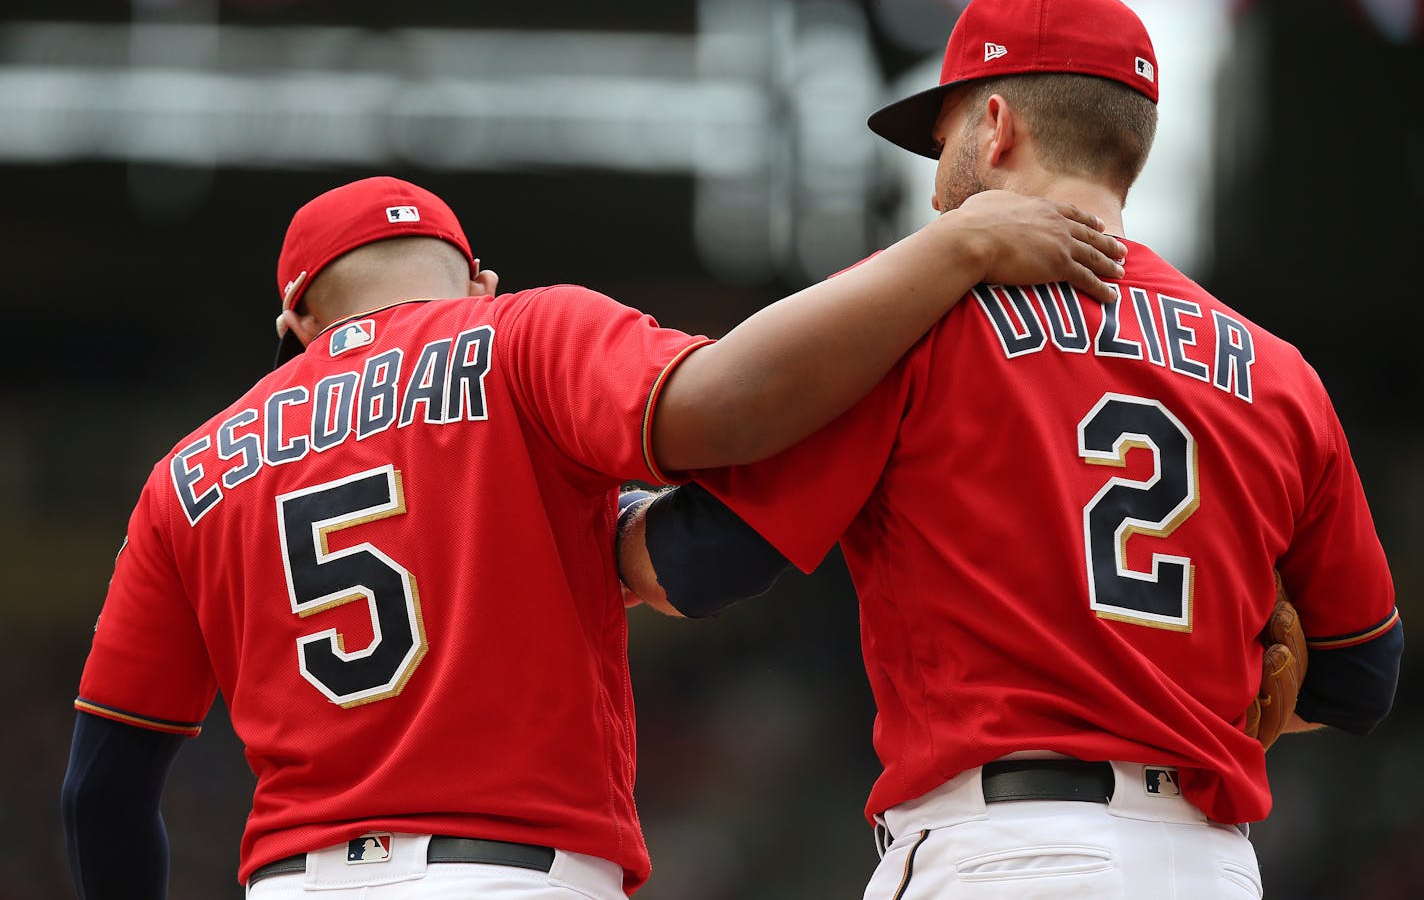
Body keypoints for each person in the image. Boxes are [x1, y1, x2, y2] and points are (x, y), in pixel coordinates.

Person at [59, 174, 1128, 899]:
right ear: (472, 277)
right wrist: (942, 258)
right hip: (508, 875)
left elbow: (101, 791)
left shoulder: (189, 472)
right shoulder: (519, 332)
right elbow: (730, 417)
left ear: (295, 322)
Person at [616, 0, 1402, 899]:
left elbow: (701, 563)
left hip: (1009, 850)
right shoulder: (1279, 373)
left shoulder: (915, 318)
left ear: (995, 124)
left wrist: (588, 520)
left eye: (941, 134)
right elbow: (1361, 678)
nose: (938, 169)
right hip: (1208, 860)